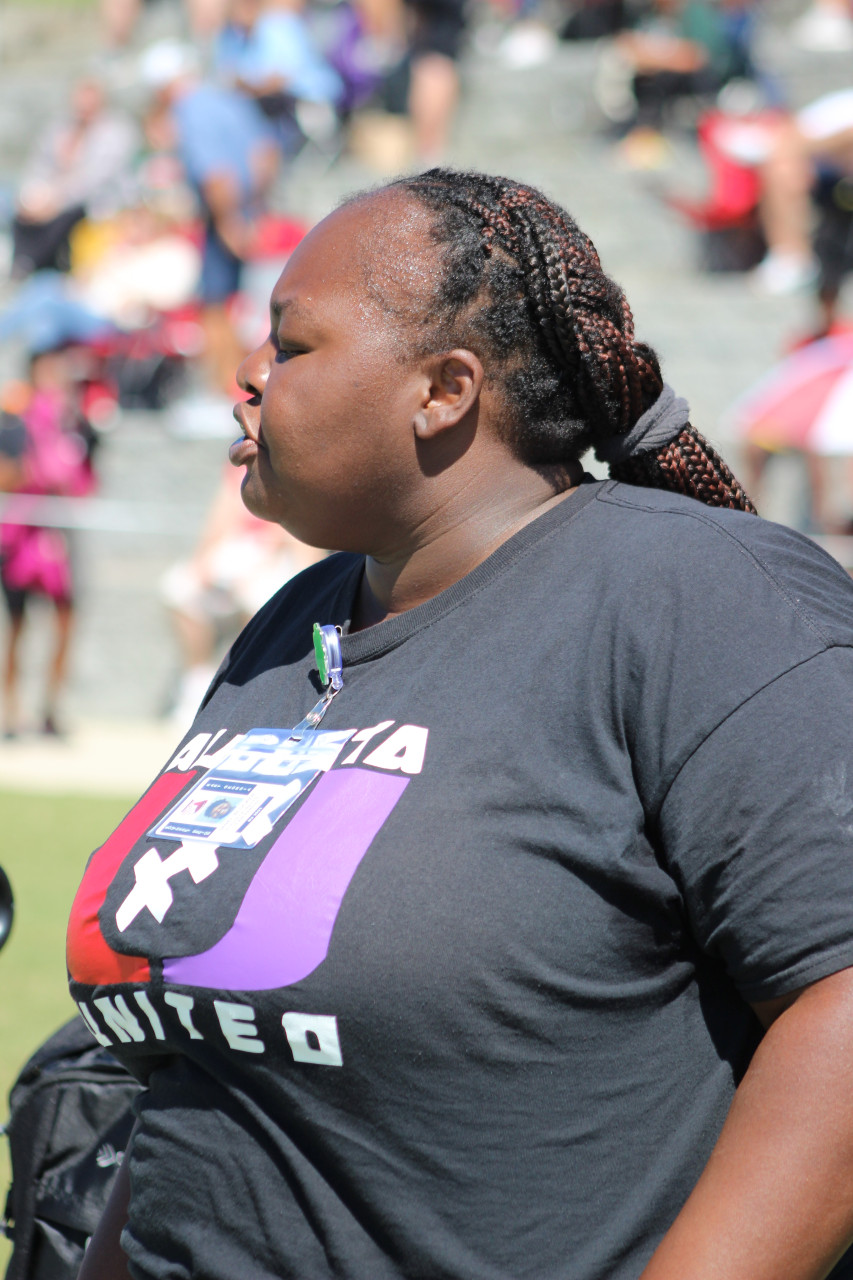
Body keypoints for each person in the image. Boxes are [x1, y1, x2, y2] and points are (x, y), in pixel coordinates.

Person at [69, 170, 853, 1280]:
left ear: (443, 389)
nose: (244, 375)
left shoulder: (690, 593)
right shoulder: (291, 624)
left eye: (292, 346)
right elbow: (212, 1085)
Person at [0, 348, 98, 738]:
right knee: (18, 626)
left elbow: (86, 477)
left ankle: (50, 710)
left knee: (64, 623)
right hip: (21, 538)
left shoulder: (76, 423)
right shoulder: (16, 424)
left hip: (59, 538)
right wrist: (38, 471)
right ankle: (10, 711)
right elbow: (9, 475)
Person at [11, 77, 139, 279]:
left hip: (98, 203)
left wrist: (55, 202)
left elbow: (93, 180)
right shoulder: (61, 128)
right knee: (18, 211)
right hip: (55, 196)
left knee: (63, 218)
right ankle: (24, 265)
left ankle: (34, 265)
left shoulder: (116, 131)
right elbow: (38, 165)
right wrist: (30, 198)